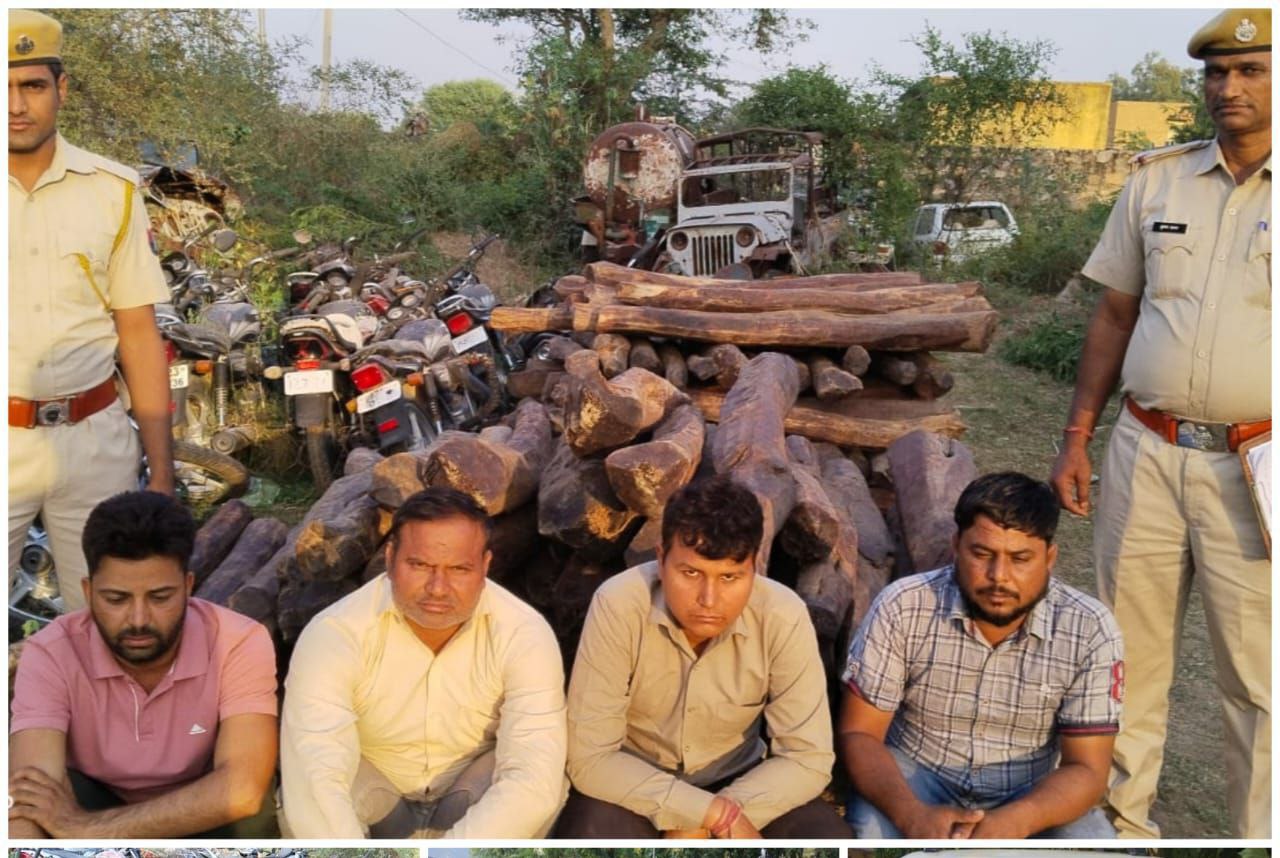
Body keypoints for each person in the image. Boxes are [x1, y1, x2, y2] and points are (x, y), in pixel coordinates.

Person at [1048, 8, 1271, 839]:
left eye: (1252, 70)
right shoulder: (1157, 182)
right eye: (1217, 73)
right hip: (1146, 447)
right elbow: (1113, 315)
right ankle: (1119, 833)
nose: (1230, 87)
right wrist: (1076, 436)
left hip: (1259, 464)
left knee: (1258, 677)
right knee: (1124, 661)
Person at [558, 475, 850, 838]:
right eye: (691, 572)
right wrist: (709, 815)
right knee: (592, 834)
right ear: (662, 560)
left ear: (754, 569)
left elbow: (808, 757)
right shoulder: (620, 604)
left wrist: (714, 817)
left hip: (744, 784)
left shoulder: (782, 614)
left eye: (730, 577)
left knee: (830, 840)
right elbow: (591, 758)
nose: (709, 600)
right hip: (633, 783)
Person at [840, 472, 1123, 839]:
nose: (999, 576)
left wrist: (1015, 822)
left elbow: (1086, 769)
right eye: (982, 554)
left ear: (1049, 557)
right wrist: (912, 815)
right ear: (957, 545)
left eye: (1020, 558)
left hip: (1031, 792)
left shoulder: (1090, 628)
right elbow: (859, 733)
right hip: (914, 779)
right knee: (868, 840)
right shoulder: (903, 606)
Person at [280, 487, 567, 838]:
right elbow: (316, 773)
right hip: (377, 791)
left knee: (537, 791)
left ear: (485, 566)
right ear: (389, 559)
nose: (438, 588)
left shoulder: (523, 633)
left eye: (459, 568)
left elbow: (532, 774)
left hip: (469, 790)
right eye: (420, 565)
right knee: (310, 793)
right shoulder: (336, 633)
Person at [9, 9, 174, 612]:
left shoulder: (113, 190)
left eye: (32, 85)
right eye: (4, 86)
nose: (17, 104)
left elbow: (137, 332)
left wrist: (160, 471)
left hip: (95, 441)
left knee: (108, 621)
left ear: (62, 89)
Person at [8, 491, 279, 838]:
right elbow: (27, 805)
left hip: (200, 806)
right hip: (91, 797)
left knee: (251, 814)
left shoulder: (238, 641)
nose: (138, 620)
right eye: (116, 599)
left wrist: (87, 830)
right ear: (88, 593)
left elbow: (241, 789)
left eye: (160, 597)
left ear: (188, 587)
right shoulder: (50, 652)